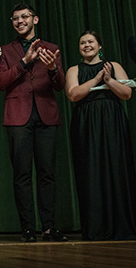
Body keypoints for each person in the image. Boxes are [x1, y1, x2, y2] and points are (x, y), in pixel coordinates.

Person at [0, 3, 68, 243]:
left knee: (47, 173)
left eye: (24, 17)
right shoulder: (6, 50)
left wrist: (52, 70)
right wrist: (24, 62)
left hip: (46, 114)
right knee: (22, 174)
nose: (20, 21)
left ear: (35, 20)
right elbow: (1, 82)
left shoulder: (52, 49)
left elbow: (60, 86)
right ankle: (28, 228)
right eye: (15, 18)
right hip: (18, 116)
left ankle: (48, 227)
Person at [65, 31, 136, 240]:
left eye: (90, 42)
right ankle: (96, 227)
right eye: (82, 43)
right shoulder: (74, 70)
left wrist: (109, 80)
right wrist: (96, 79)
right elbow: (73, 94)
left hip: (112, 120)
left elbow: (126, 93)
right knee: (90, 170)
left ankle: (122, 225)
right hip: (86, 122)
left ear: (100, 45)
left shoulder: (114, 66)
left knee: (117, 167)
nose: (86, 45)